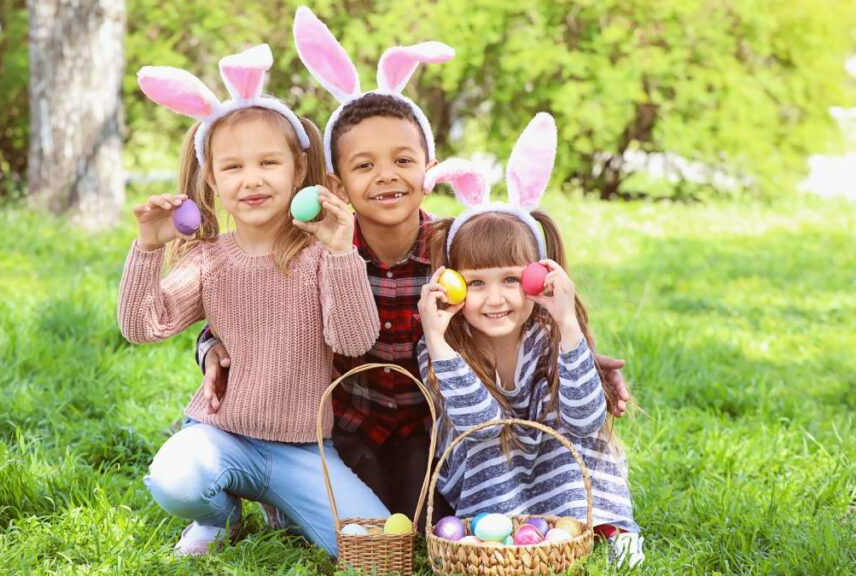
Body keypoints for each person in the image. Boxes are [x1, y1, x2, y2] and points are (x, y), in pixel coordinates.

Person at [197, 5, 632, 524]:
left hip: (435, 424)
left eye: (403, 160)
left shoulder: (452, 247)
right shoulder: (318, 248)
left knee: (427, 520)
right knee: (358, 523)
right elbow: (246, 308)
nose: (387, 176)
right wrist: (211, 348)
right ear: (337, 184)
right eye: (364, 165)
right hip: (346, 422)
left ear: (429, 170)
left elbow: (511, 304)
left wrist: (582, 355)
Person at [119, 44, 388, 557]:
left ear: (297, 167)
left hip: (304, 449)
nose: (253, 179)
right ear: (213, 180)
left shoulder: (317, 256)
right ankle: (221, 517)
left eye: (268, 162)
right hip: (223, 437)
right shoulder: (208, 260)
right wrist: (148, 249)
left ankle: (282, 502)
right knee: (174, 478)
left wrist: (339, 251)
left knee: (372, 552)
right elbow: (142, 326)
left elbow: (354, 338)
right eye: (234, 167)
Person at [416, 113, 644, 568]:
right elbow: (478, 426)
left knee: (573, 447)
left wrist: (569, 325)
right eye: (475, 283)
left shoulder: (549, 334)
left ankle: (607, 527)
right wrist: (436, 341)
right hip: (489, 463)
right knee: (489, 450)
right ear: (452, 283)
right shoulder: (441, 346)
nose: (494, 299)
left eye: (511, 280)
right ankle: (505, 534)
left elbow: (584, 419)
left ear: (539, 279)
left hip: (555, 455)